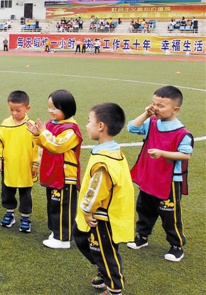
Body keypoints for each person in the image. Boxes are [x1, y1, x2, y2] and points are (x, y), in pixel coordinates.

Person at [126, 86, 193, 262]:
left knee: (169, 214)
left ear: (175, 109)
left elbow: (186, 154)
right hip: (150, 176)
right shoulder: (151, 122)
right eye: (154, 104)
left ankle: (176, 245)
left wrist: (163, 154)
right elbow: (132, 128)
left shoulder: (182, 133)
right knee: (144, 208)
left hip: (169, 180)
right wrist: (146, 114)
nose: (155, 108)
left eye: (161, 106)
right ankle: (142, 236)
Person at [73, 103, 134, 295]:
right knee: (82, 238)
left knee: (106, 252)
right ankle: (103, 271)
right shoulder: (109, 151)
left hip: (101, 216)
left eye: (89, 121)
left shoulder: (104, 161)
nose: (86, 125)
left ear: (100, 126)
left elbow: (97, 189)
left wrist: (86, 209)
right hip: (100, 213)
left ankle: (115, 288)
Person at [27, 89, 83, 249]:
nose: (50, 111)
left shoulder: (71, 130)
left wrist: (43, 132)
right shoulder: (51, 124)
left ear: (66, 108)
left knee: (63, 206)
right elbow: (44, 143)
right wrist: (37, 135)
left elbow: (57, 145)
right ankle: (56, 232)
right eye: (49, 107)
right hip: (52, 171)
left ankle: (64, 238)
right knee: (53, 203)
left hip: (65, 175)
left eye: (54, 108)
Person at [0, 90, 37, 232]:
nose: (14, 113)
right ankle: (9, 213)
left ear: (27, 108)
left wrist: (36, 164)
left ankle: (25, 217)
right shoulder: (5, 124)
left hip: (26, 165)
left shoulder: (31, 126)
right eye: (11, 110)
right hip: (9, 166)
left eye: (18, 110)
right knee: (7, 190)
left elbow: (37, 146)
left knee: (25, 193)